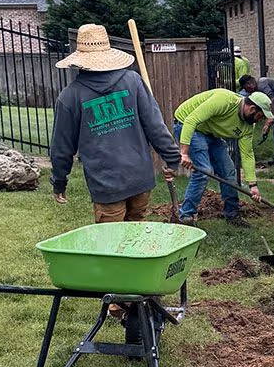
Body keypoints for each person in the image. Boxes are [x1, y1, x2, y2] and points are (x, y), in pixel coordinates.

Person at [50, 23, 179, 222]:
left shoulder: (70, 97)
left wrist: (59, 182)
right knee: (137, 238)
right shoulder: (133, 81)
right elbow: (155, 126)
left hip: (106, 184)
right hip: (140, 178)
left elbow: (61, 148)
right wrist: (172, 159)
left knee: (113, 245)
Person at [173, 87, 274, 226]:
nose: (261, 120)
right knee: (203, 171)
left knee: (229, 173)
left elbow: (247, 155)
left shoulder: (248, 127)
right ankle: (186, 216)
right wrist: (184, 153)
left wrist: (253, 185)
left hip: (211, 133)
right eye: (261, 116)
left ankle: (233, 216)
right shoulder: (224, 100)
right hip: (188, 124)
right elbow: (192, 120)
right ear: (252, 108)